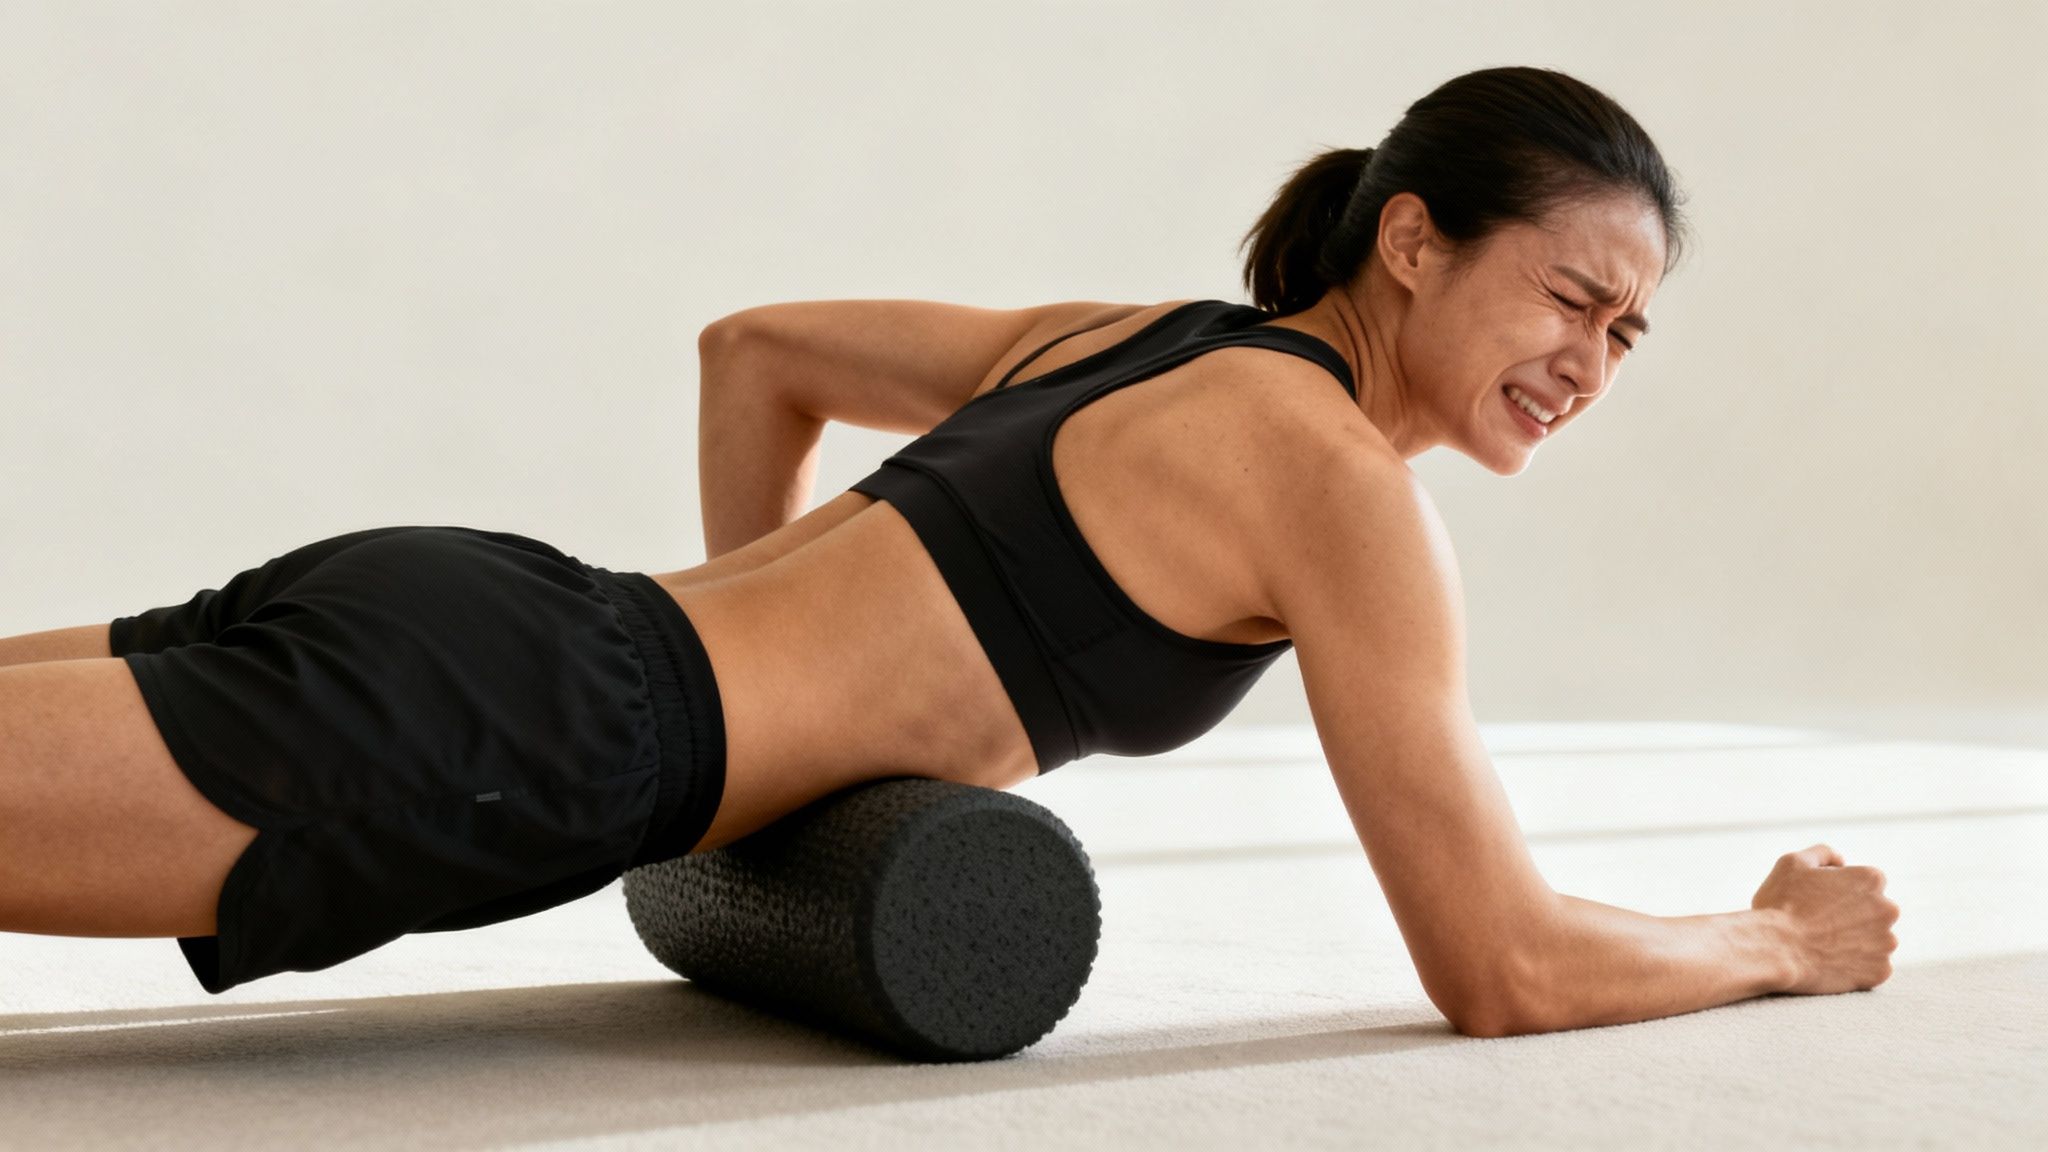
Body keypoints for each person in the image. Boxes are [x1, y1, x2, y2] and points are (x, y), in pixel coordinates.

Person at [0, 65, 1896, 1032]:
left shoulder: (1130, 337)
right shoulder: (1335, 482)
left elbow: (755, 354)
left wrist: (740, 653)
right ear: (1411, 243)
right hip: (527, 731)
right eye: (1572, 296)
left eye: (1628, 334)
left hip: (502, 610)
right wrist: (1777, 942)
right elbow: (1499, 963)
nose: (1590, 362)